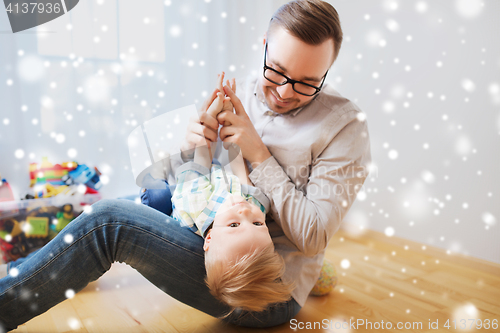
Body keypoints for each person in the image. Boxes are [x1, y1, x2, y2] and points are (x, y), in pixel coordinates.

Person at [0, 0, 371, 330]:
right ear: (264, 46)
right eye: (276, 70)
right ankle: (22, 276)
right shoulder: (238, 92)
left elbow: (314, 236)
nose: (286, 92)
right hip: (208, 230)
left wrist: (258, 153)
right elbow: (191, 190)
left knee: (108, 221)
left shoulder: (344, 126)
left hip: (257, 286)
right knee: (144, 196)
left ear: (328, 70)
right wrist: (192, 145)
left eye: (308, 83)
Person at [170, 74, 294, 313]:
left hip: (192, 177)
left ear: (209, 239)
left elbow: (200, 158)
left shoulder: (195, 204)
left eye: (235, 225)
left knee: (154, 196)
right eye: (258, 224)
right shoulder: (253, 206)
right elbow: (239, 167)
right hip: (220, 176)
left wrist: (213, 116)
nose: (245, 211)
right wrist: (229, 117)